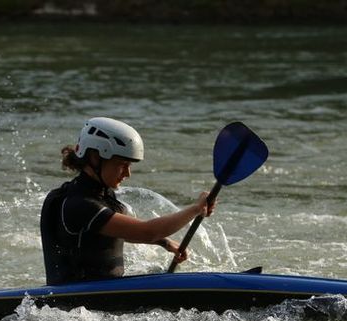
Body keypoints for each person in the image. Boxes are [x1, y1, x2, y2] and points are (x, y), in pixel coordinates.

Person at [40, 117, 217, 285]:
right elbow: (147, 231)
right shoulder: (79, 204)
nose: (128, 173)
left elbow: (117, 231)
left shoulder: (100, 194)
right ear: (95, 157)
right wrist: (195, 209)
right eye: (122, 164)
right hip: (78, 307)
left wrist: (164, 242)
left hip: (101, 298)